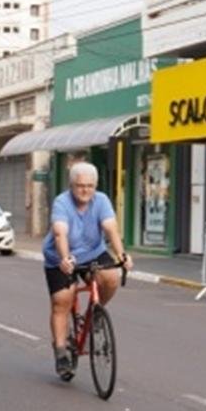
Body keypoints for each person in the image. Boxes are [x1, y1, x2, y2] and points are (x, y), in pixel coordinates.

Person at [42, 162, 133, 379]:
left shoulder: (101, 200)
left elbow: (111, 228)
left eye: (90, 186)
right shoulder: (62, 203)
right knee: (62, 301)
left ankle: (94, 316)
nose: (85, 191)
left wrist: (122, 255)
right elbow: (60, 234)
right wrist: (65, 259)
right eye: (80, 185)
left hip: (93, 251)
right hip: (61, 257)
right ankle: (61, 351)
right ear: (71, 185)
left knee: (111, 277)